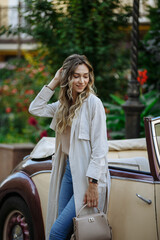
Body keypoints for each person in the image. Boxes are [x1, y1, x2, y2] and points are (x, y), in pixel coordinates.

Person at [29, 54, 110, 240]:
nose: (82, 81)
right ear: (67, 77)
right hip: (68, 172)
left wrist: (93, 184)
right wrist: (55, 81)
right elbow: (35, 108)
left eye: (85, 75)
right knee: (66, 230)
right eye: (76, 76)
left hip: (87, 176)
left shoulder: (93, 104)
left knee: (57, 232)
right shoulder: (62, 106)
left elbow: (100, 147)